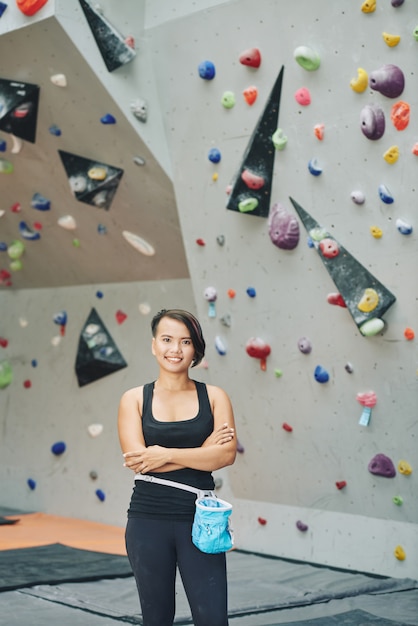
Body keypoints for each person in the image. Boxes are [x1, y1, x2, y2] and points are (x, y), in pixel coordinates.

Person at [118, 308, 236, 626]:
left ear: (196, 349)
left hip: (202, 519)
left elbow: (225, 456)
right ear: (153, 344)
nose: (175, 349)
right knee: (156, 619)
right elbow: (137, 461)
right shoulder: (134, 399)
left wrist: (163, 455)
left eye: (185, 342)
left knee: (213, 619)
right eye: (167, 339)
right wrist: (203, 450)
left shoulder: (214, 396)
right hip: (147, 520)